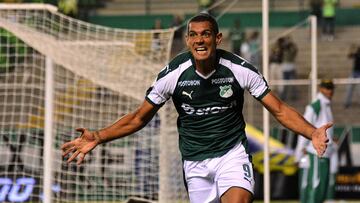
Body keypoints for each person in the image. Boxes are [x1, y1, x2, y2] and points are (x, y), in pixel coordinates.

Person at [62, 13, 330, 203]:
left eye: (206, 34)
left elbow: (280, 109)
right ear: (188, 40)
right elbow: (138, 118)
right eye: (194, 35)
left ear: (218, 38)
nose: (200, 40)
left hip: (231, 154)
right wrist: (98, 136)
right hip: (194, 160)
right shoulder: (172, 75)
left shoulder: (240, 70)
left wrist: (312, 132)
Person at [295, 79, 336, 203]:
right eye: (327, 88)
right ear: (321, 89)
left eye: (331, 88)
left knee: (322, 188)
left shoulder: (326, 105)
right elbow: (304, 127)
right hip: (315, 153)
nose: (330, 91)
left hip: (325, 153)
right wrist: (299, 153)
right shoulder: (315, 106)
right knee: (315, 185)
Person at [280, 35, 298, 101]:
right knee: (285, 83)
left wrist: (291, 44)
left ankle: (294, 96)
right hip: (285, 67)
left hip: (291, 67)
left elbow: (295, 51)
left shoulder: (291, 48)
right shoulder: (283, 48)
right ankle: (283, 96)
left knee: (293, 83)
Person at [344, 44, 360, 108]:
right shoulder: (356, 54)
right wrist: (350, 49)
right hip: (354, 73)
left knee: (357, 90)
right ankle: (347, 103)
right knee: (349, 88)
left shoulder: (356, 54)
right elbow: (349, 55)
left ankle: (347, 103)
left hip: (357, 73)